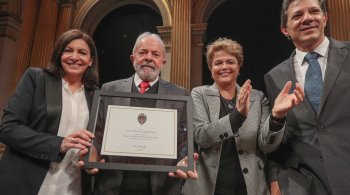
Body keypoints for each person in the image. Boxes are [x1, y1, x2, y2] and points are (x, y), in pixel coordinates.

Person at [182, 37, 304, 195]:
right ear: (211, 70)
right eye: (218, 63)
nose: (224, 66)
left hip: (249, 186)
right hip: (207, 186)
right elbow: (202, 136)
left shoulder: (258, 98)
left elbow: (266, 145)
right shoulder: (199, 94)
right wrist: (237, 116)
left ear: (239, 67)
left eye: (230, 62)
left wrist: (277, 116)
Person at [91, 32, 196, 195]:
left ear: (163, 61)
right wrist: (92, 155)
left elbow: (184, 139)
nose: (148, 57)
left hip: (161, 186)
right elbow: (97, 134)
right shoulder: (109, 90)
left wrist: (184, 159)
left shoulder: (180, 95)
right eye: (142, 52)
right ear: (133, 58)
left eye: (155, 54)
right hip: (112, 184)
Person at [264, 0, 350, 194]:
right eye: (297, 15)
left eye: (314, 11)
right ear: (285, 29)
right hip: (303, 183)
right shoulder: (274, 77)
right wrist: (275, 177)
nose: (307, 19)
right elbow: (278, 144)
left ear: (325, 18)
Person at [0, 29, 99, 195]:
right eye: (68, 50)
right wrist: (58, 144)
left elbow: (98, 140)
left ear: (90, 61)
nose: (75, 57)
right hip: (25, 183)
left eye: (82, 52)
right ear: (59, 54)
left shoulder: (96, 94)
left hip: (72, 187)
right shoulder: (36, 79)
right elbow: (8, 128)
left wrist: (95, 158)